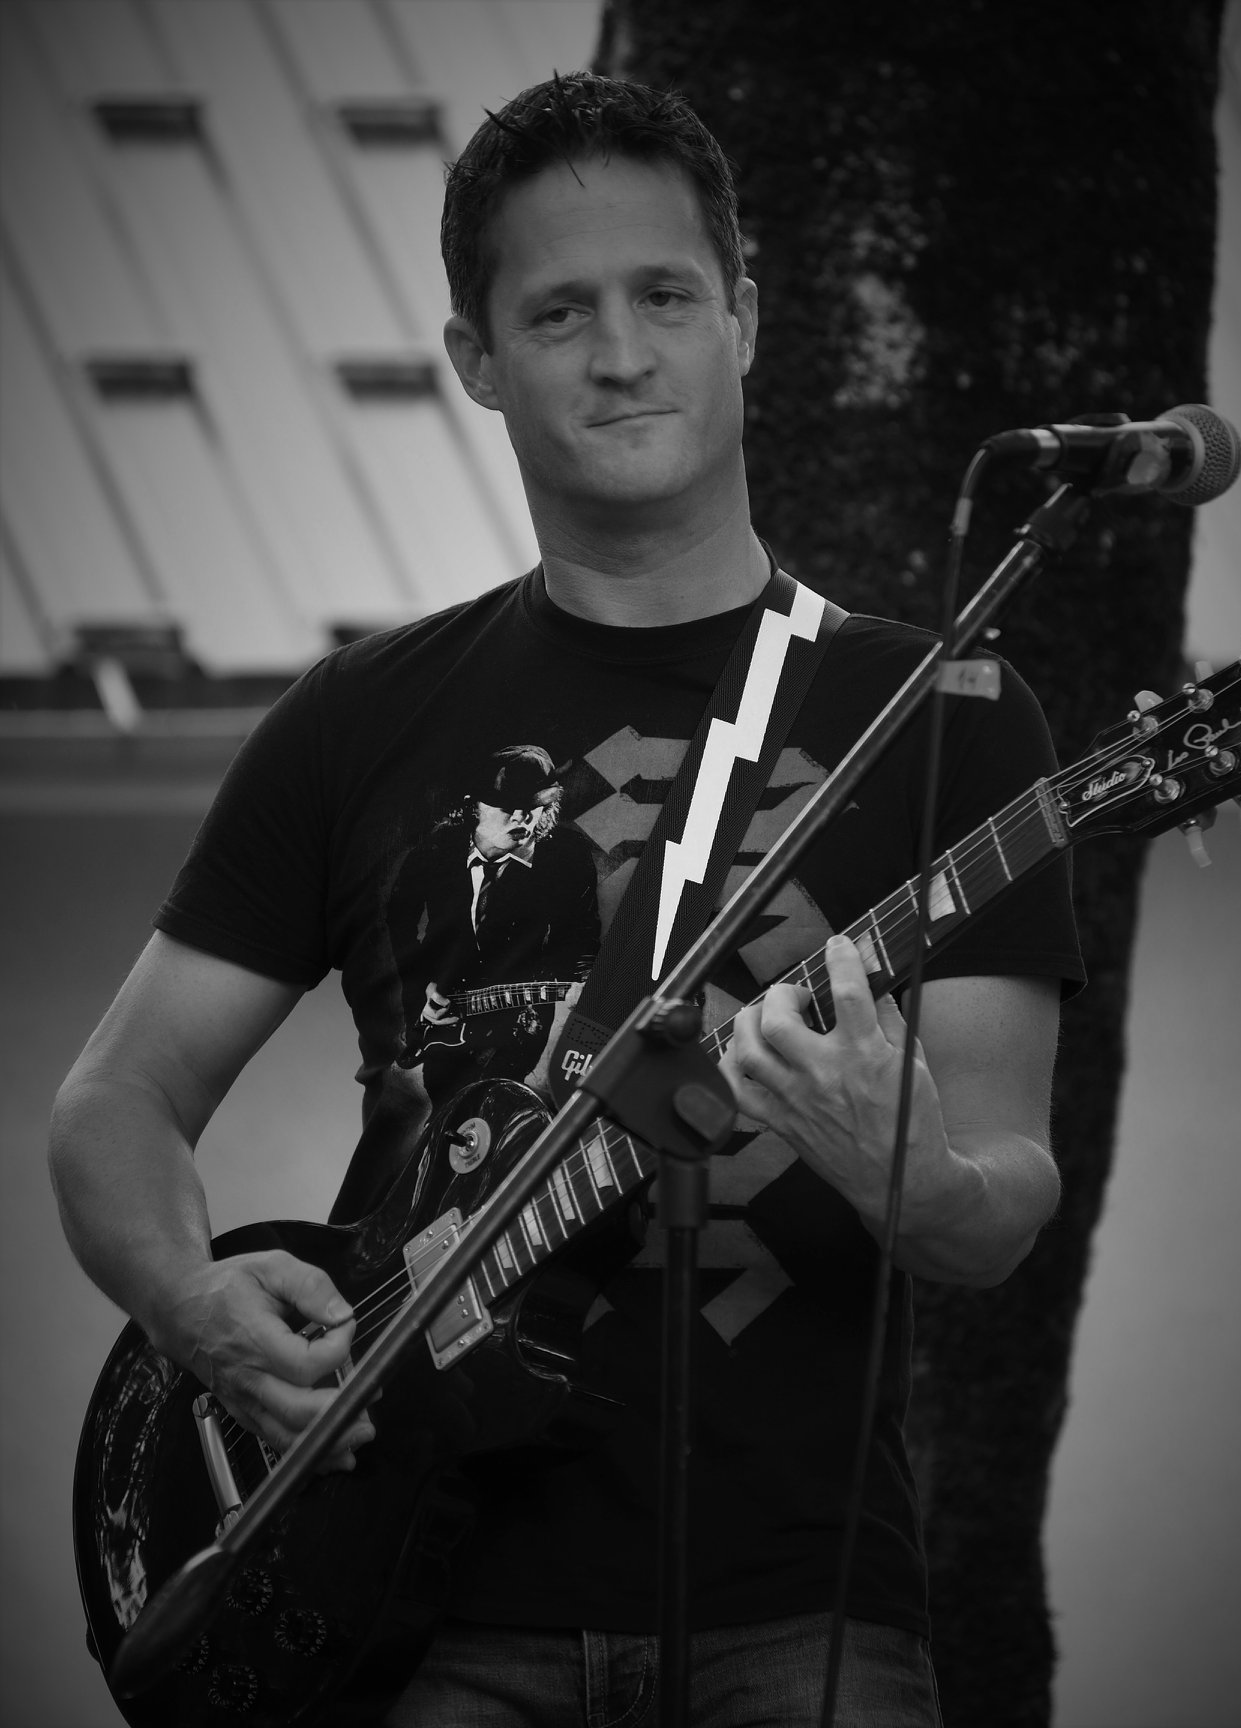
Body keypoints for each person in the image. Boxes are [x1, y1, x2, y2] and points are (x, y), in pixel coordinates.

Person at [49, 72, 1084, 1727]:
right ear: (476, 359)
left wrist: (901, 1157)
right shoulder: (357, 718)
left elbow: (1002, 1207)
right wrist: (194, 1302)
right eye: (558, 312)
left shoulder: (945, 714)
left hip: (805, 1616)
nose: (621, 353)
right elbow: (114, 1103)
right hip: (419, 1615)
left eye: (666, 295)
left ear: (745, 320)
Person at [387, 743, 600, 1092]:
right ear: (474, 805)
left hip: (521, 1011)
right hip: (447, 1010)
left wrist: (584, 986)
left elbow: (582, 937)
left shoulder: (567, 856)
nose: (521, 817)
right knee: (444, 1096)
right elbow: (398, 925)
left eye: (533, 805)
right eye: (507, 806)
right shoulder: (436, 850)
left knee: (495, 1096)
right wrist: (421, 989)